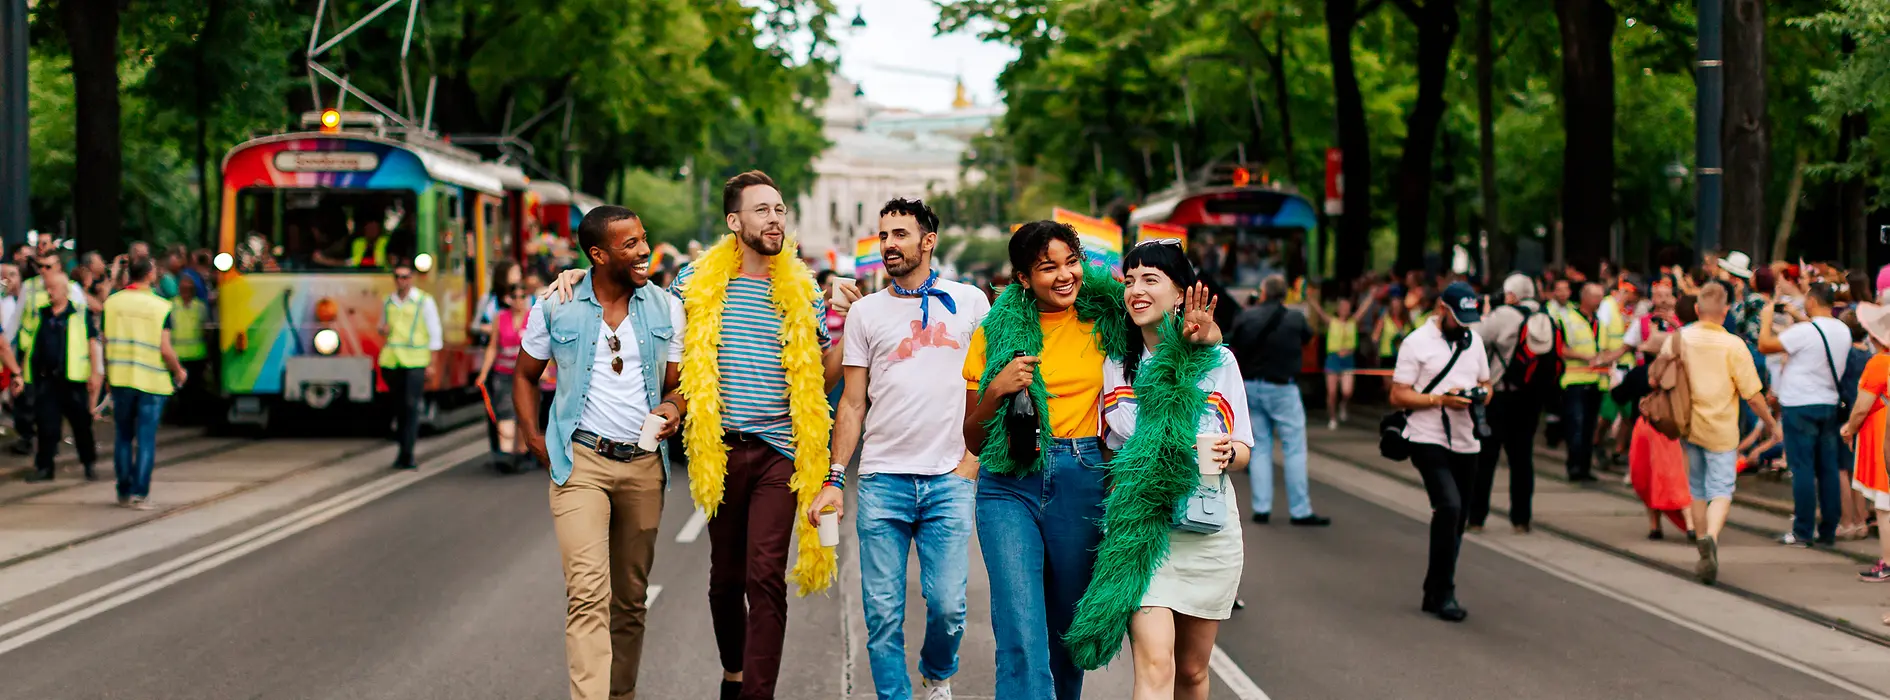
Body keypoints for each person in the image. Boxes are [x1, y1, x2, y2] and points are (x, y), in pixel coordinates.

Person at [959, 221, 1218, 700]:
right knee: (1019, 631)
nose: (1064, 275)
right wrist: (997, 390)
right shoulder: (993, 333)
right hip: (1009, 486)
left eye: (1071, 262)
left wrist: (1205, 333)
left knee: (1067, 632)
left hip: (1082, 477)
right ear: (1021, 278)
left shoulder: (1108, 319)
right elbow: (973, 439)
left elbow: (1169, 333)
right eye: (1047, 267)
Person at [805, 198, 989, 700]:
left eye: (901, 234)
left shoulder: (972, 302)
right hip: (883, 481)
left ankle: (937, 671)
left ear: (928, 241)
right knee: (882, 614)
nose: (890, 244)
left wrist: (972, 461)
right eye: (884, 235)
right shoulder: (866, 312)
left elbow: (988, 387)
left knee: (949, 606)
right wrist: (835, 476)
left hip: (949, 479)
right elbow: (852, 404)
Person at [1063, 240, 1252, 699]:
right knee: (1154, 665)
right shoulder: (1116, 365)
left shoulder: (1218, 361)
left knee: (1191, 673)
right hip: (1142, 535)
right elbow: (1110, 450)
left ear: (1182, 292)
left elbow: (1244, 450)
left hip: (1208, 532)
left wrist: (1229, 452)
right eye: (1129, 281)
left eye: (1150, 279)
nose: (1136, 291)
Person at [515, 205, 686, 700]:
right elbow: (525, 377)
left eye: (644, 239)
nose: (643, 251)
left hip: (643, 465)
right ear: (597, 253)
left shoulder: (666, 307)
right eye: (629, 244)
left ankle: (620, 695)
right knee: (588, 594)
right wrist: (533, 439)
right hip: (581, 462)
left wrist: (674, 408)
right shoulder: (555, 304)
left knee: (630, 601)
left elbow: (678, 387)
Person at [1388, 282, 1492, 622]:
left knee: (1458, 518)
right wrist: (1441, 399)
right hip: (1426, 436)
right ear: (1442, 310)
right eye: (1458, 318)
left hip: (1466, 438)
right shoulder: (1416, 343)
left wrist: (1477, 394)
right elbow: (1399, 395)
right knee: (1448, 506)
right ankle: (1444, 591)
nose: (1464, 326)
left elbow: (1487, 384)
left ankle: (1434, 589)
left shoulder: (1473, 341)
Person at [1678, 281, 1783, 585]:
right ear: (1725, 313)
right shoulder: (1733, 345)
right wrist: (1772, 425)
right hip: (1721, 429)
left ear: (1697, 310)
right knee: (1722, 489)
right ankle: (1711, 536)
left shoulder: (1680, 338)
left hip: (1688, 424)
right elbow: (1753, 395)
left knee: (1696, 489)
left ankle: (1700, 542)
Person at [1231, 275, 1330, 527]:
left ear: (1262, 292)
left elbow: (1234, 342)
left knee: (1261, 446)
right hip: (1283, 387)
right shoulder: (1295, 318)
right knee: (1294, 447)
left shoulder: (1247, 316)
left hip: (1251, 386)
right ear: (1284, 294)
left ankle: (1261, 507)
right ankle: (1300, 509)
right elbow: (1308, 338)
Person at [1758, 281, 1851, 547]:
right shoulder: (1842, 330)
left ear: (1811, 302)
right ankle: (1829, 529)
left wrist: (1767, 318)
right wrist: (1799, 317)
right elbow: (1817, 333)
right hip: (1829, 403)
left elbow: (1766, 345)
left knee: (1803, 469)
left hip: (1799, 405)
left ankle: (1802, 530)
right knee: (1828, 468)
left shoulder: (1804, 332)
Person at [1467, 273, 1559, 534]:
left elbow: (1474, 339)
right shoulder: (1545, 316)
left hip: (1499, 395)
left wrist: (1484, 314)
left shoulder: (1503, 315)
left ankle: (1476, 517)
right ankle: (1521, 519)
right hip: (1530, 397)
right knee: (1522, 459)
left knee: (1486, 457)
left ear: (1511, 295)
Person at [102, 257, 188, 509]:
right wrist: (179, 371)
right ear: (150, 275)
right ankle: (141, 494)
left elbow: (107, 342)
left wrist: (107, 376)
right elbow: (165, 348)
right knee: (146, 439)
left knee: (123, 437)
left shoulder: (112, 303)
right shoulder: (161, 306)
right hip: (151, 381)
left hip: (121, 379)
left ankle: (123, 491)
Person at [20, 268, 102, 485]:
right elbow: (29, 344)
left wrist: (95, 373)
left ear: (65, 291)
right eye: (48, 288)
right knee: (47, 426)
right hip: (47, 379)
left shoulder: (79, 314)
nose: (49, 292)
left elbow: (92, 344)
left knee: (81, 426)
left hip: (73, 380)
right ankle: (45, 468)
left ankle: (89, 464)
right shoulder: (42, 314)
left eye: (53, 288)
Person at [379, 260, 442, 470]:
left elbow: (435, 334)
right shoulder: (388, 302)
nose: (401, 281)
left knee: (410, 406)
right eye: (398, 277)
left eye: (405, 277)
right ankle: (402, 451)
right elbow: (383, 327)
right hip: (391, 361)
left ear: (412, 279)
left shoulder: (424, 301)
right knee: (399, 408)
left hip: (416, 360)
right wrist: (383, 329)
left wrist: (432, 363)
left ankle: (408, 453)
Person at [1844, 304, 1890, 587]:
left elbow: (1861, 408)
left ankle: (1887, 562)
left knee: (1885, 506)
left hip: (1884, 438)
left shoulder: (1879, 364)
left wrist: (1848, 429)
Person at [476, 283, 534, 472]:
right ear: (509, 299)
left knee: (524, 413)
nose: (518, 301)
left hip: (527, 374)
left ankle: (522, 452)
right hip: (504, 372)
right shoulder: (500, 318)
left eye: (522, 297)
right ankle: (506, 453)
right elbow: (493, 347)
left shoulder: (534, 317)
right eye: (515, 297)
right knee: (505, 411)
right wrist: (484, 373)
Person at [1558, 282, 1608, 482]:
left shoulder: (1599, 322)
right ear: (1585, 298)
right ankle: (1574, 466)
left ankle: (1585, 467)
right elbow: (1561, 349)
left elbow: (1603, 349)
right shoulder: (1568, 319)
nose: (1600, 301)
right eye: (1596, 296)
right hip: (1574, 381)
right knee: (1576, 426)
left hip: (1595, 382)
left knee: (1589, 427)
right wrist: (1585, 357)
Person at [1306, 291, 1374, 430]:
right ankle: (1332, 417)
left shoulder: (1353, 322)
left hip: (1348, 359)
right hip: (1333, 359)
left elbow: (1363, 309)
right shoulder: (1332, 321)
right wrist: (1311, 299)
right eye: (1342, 307)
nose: (1345, 310)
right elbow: (1319, 311)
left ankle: (1343, 405)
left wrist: (1371, 296)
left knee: (1347, 391)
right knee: (1331, 392)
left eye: (1347, 307)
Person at [168, 275, 210, 420]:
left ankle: (192, 416)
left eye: (189, 289)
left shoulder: (200, 307)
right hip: (177, 354)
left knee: (194, 389)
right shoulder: (171, 305)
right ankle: (179, 417)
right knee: (179, 390)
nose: (186, 291)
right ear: (179, 289)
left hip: (197, 355)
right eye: (183, 289)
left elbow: (206, 328)